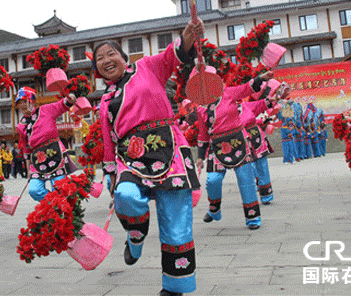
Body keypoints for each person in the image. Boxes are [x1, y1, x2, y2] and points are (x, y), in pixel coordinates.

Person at [98, 20, 203, 296]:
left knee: (176, 221)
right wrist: (110, 174)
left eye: (111, 54)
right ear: (97, 69)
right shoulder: (106, 101)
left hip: (169, 148)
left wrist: (188, 35)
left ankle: (175, 286)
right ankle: (135, 236)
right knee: (126, 196)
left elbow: (173, 54)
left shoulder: (146, 67)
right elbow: (108, 140)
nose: (106, 60)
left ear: (124, 57)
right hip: (129, 155)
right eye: (100, 58)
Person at [197, 70, 273, 231]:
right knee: (213, 180)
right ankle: (215, 208)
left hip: (238, 141)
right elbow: (203, 134)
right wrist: (199, 158)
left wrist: (261, 78)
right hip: (217, 146)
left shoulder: (228, 93)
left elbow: (247, 88)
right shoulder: (201, 108)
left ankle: (253, 217)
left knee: (246, 180)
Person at [16, 87, 76, 202]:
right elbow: (26, 149)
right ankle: (54, 204)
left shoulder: (46, 110)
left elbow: (62, 105)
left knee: (59, 187)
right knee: (34, 190)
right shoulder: (21, 126)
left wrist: (71, 98)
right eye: (20, 103)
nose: (23, 105)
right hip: (37, 159)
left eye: (25, 101)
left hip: (55, 154)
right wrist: (28, 169)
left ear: (32, 101)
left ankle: (61, 210)